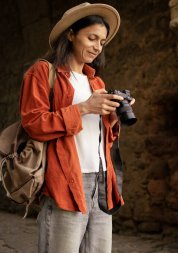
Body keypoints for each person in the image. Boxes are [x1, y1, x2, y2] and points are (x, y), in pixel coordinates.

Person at [19, 3, 133, 252]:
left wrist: (112, 119)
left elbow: (100, 139)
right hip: (65, 181)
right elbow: (34, 124)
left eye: (102, 41)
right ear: (71, 34)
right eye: (91, 38)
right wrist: (84, 108)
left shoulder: (96, 82)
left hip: (102, 182)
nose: (97, 46)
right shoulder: (42, 73)